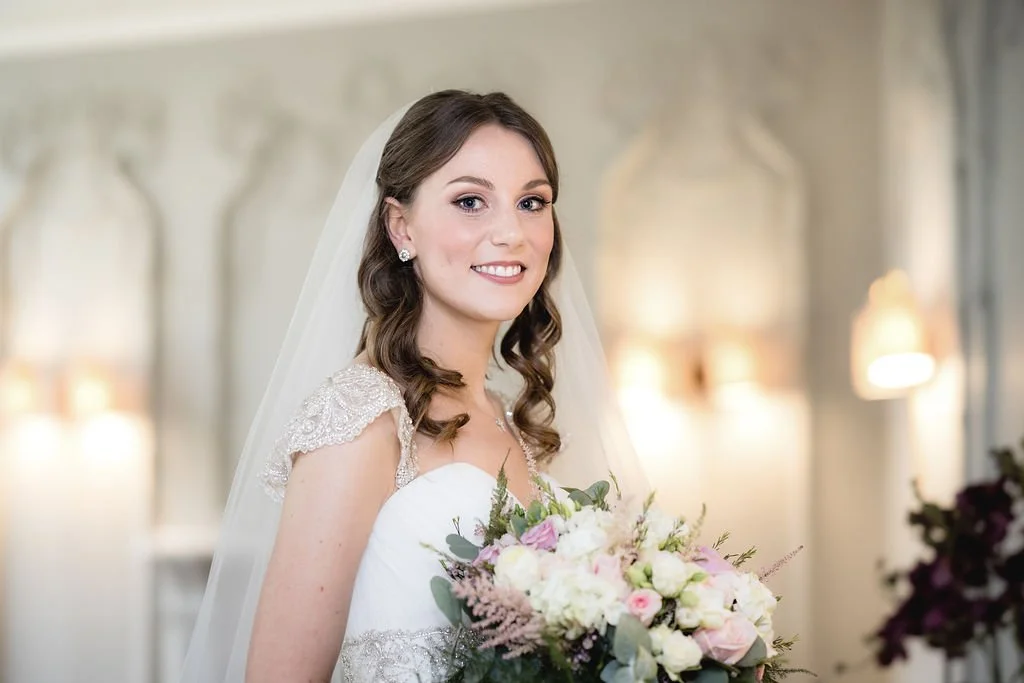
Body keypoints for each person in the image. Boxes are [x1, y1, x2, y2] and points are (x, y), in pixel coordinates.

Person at [179, 90, 649, 683]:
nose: (511, 232)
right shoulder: (364, 417)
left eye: (532, 202)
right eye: (471, 201)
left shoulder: (512, 423)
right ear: (401, 227)